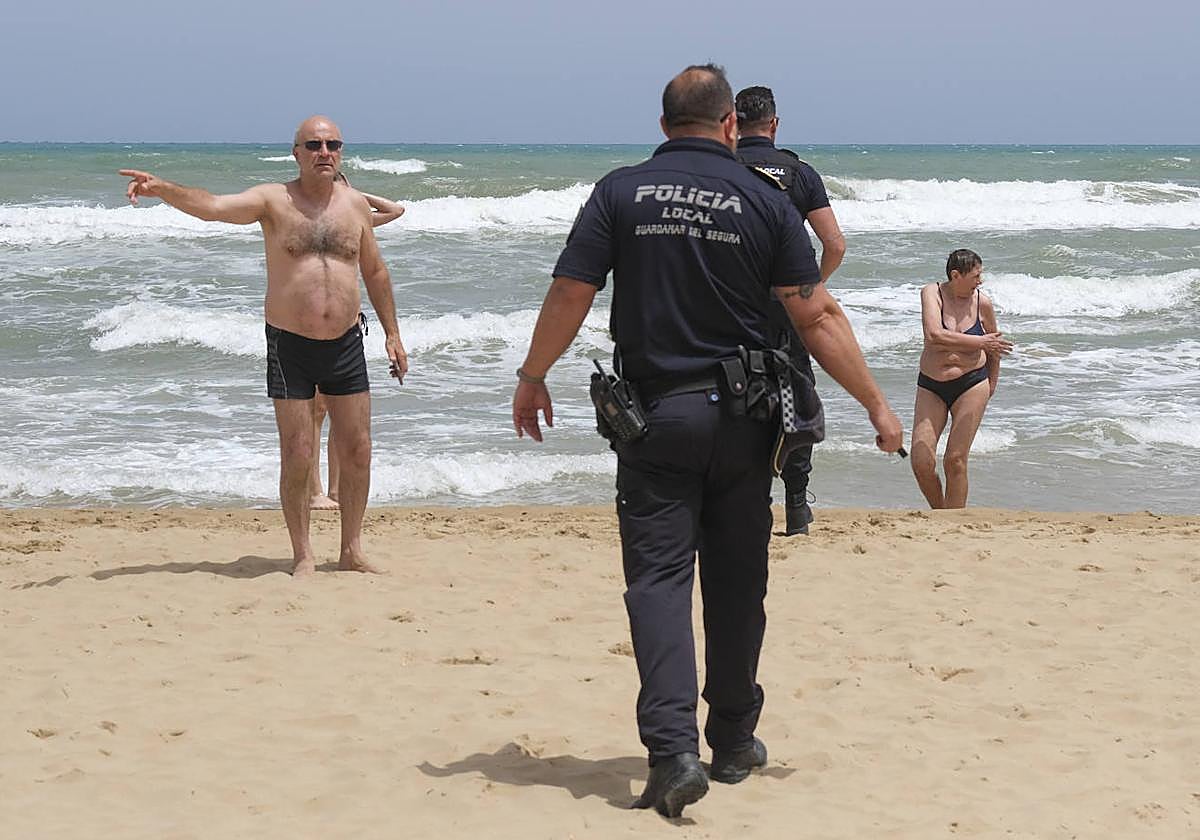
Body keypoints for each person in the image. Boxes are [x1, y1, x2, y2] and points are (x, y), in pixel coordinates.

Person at [511, 64, 903, 818]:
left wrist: (534, 376)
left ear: (663, 126)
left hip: (657, 419)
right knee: (736, 583)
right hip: (747, 423)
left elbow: (570, 291)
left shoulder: (621, 191)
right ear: (731, 125)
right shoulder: (765, 197)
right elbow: (817, 317)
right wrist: (878, 405)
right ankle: (730, 742)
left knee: (658, 582)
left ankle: (672, 752)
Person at [120, 115, 408, 576]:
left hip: (346, 343)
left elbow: (374, 271)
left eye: (332, 144)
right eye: (313, 144)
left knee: (358, 449)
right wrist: (163, 188)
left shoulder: (354, 206)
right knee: (297, 453)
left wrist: (393, 334)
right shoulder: (273, 200)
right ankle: (303, 554)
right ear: (296, 152)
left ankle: (351, 549)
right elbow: (212, 206)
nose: (324, 152)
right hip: (290, 344)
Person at [734, 85, 846, 536]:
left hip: (731, 305)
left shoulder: (719, 170)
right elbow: (835, 244)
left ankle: (748, 502)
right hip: (787, 305)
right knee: (795, 392)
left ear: (732, 123)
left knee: (735, 397)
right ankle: (797, 504)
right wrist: (811, 288)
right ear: (774, 124)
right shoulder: (799, 172)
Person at [309, 173, 406, 511]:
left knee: (339, 413)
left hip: (349, 327)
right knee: (315, 412)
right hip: (310, 328)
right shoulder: (312, 222)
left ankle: (336, 490)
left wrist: (353, 194)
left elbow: (396, 210)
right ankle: (313, 491)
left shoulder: (355, 219)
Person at [911, 249, 1012, 508]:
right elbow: (934, 335)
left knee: (955, 459)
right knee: (921, 461)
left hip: (971, 383)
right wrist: (979, 341)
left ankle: (952, 521)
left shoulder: (983, 303)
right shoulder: (932, 293)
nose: (980, 281)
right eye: (976, 276)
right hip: (931, 385)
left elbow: (995, 347)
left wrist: (991, 384)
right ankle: (941, 511)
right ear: (956, 275)